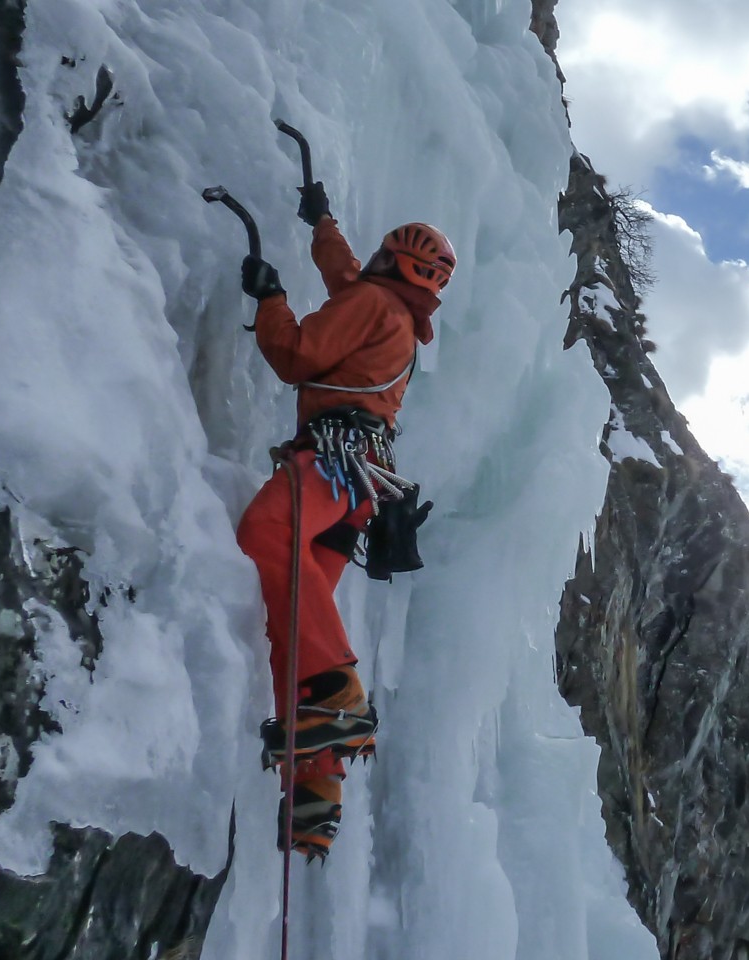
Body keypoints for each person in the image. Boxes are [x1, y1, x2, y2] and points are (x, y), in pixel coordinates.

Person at [234, 181, 453, 861]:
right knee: (291, 608)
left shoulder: (371, 303)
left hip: (330, 462)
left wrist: (270, 298)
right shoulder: (397, 318)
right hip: (360, 486)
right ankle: (315, 793)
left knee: (266, 540)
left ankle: (336, 699)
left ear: (390, 262)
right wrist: (321, 222)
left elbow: (298, 353)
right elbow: (347, 279)